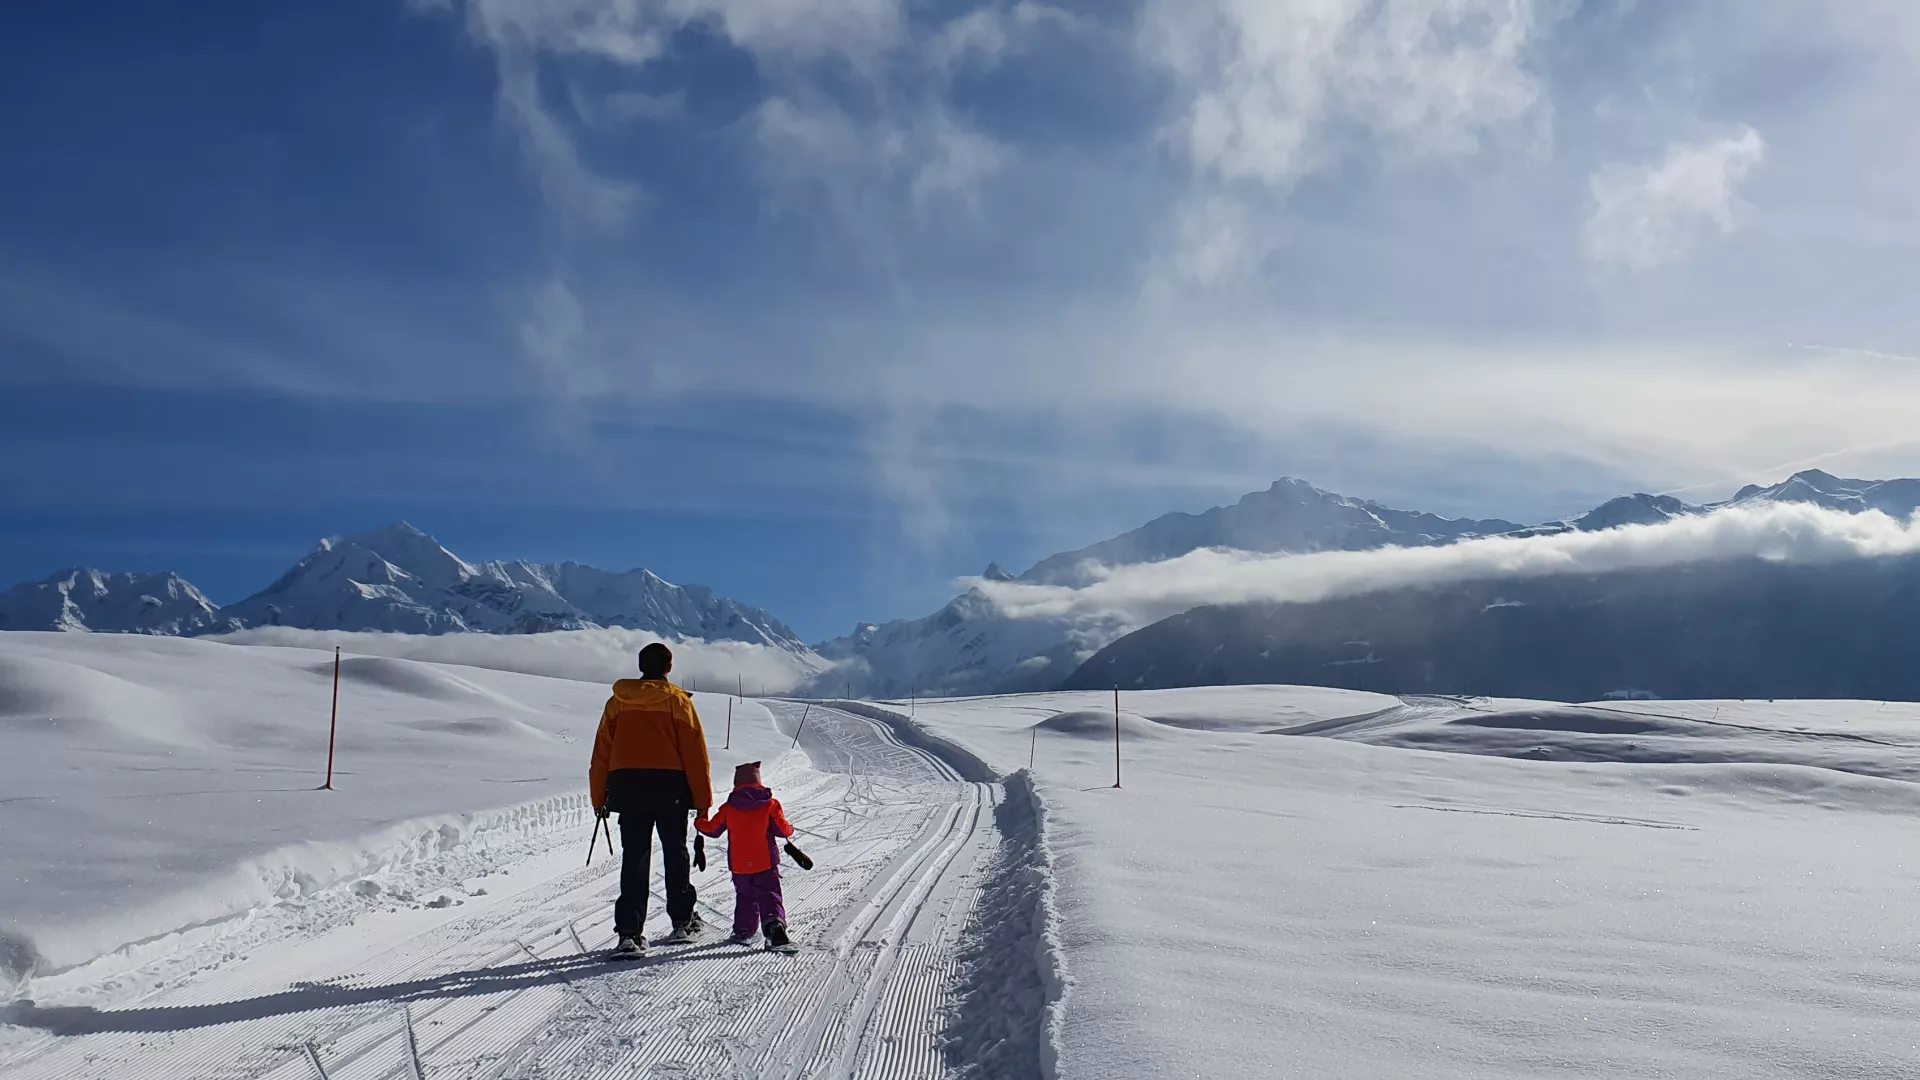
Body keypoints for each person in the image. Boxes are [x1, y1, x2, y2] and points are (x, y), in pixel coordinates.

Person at [589, 642, 713, 957]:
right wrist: (702, 801)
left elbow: (601, 752)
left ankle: (629, 934)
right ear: (668, 668)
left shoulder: (618, 702)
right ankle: (682, 922)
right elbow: (695, 754)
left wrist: (599, 797)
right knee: (675, 852)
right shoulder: (677, 701)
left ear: (641, 666)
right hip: (670, 787)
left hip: (628, 787)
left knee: (635, 856)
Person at [695, 760, 799, 953]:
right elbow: (783, 830)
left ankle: (744, 931)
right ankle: (775, 930)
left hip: (740, 865)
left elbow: (712, 829)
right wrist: (790, 829)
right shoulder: (770, 805)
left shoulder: (729, 808)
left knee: (745, 897)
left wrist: (700, 821)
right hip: (765, 862)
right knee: (770, 895)